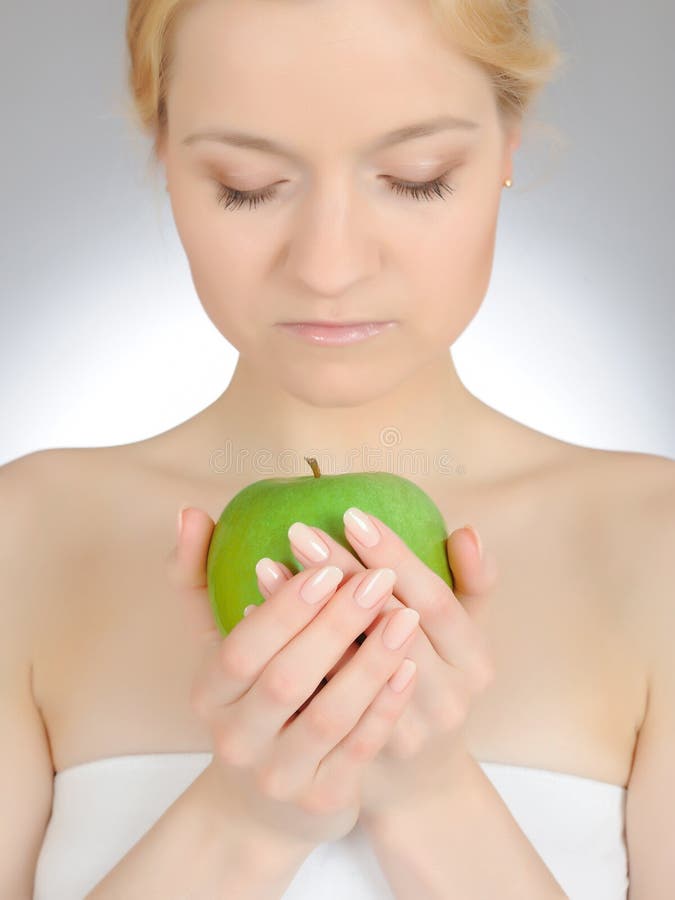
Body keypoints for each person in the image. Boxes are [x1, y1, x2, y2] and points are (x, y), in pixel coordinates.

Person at [2, 0, 673, 897]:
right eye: (246, 183)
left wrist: (430, 798)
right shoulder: (28, 538)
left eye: (415, 176)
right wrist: (243, 822)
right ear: (165, 154)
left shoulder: (654, 545)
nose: (327, 266)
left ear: (507, 145)